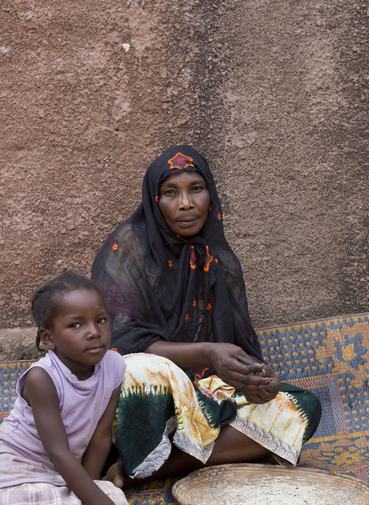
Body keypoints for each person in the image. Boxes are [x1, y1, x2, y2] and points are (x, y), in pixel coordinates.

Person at [91, 145, 321, 486]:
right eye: (171, 192)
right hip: (149, 397)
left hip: (205, 392)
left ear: (210, 195)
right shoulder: (127, 248)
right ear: (154, 200)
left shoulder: (219, 259)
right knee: (138, 373)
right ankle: (146, 451)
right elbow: (115, 343)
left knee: (303, 407)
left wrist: (255, 380)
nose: (186, 203)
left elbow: (240, 349)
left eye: (196, 189)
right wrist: (208, 353)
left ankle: (142, 469)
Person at [0, 272, 127, 505]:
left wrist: (89, 493)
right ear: (49, 337)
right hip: (11, 467)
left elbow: (100, 437)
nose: (94, 332)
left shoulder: (114, 366)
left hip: (56, 474)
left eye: (101, 320)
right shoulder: (42, 378)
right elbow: (58, 452)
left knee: (109, 496)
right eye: (76, 325)